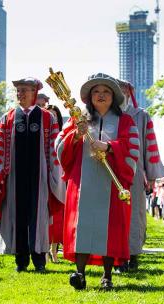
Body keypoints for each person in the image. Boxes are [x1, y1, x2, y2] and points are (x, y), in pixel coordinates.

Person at [55, 73, 139, 290]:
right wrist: (75, 135)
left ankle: (107, 276)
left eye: (106, 92)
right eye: (96, 92)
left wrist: (110, 147)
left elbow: (132, 149)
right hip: (83, 182)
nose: (101, 96)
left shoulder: (126, 121)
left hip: (111, 182)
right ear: (89, 97)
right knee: (81, 226)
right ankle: (79, 273)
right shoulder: (78, 118)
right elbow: (60, 148)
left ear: (114, 96)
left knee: (110, 229)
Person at [0, 77, 60, 273]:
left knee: (39, 216)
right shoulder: (7, 118)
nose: (20, 94)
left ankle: (39, 259)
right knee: (17, 216)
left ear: (35, 92)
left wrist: (54, 174)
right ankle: (21, 260)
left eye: (24, 90)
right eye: (18, 91)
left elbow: (54, 149)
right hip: (14, 178)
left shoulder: (47, 118)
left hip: (39, 177)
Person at [117, 80, 164, 271]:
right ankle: (118, 256)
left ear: (130, 93)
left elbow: (150, 145)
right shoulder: (108, 114)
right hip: (111, 171)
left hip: (135, 174)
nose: (120, 95)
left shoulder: (141, 115)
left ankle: (134, 253)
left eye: (123, 91)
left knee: (135, 213)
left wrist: (151, 176)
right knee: (115, 215)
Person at [45, 104, 66, 263]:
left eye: (54, 116)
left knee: (58, 216)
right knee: (46, 216)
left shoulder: (63, 135)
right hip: (44, 179)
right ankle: (44, 249)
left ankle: (54, 249)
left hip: (60, 179)